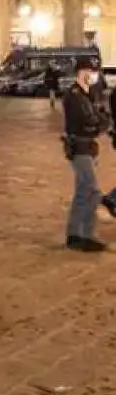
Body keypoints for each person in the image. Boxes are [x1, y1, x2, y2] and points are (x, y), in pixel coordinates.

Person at [62, 58, 110, 252]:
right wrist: (100, 123)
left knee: (83, 191)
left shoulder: (87, 94)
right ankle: (84, 235)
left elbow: (101, 118)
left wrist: (100, 122)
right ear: (82, 72)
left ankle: (76, 234)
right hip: (80, 147)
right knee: (91, 190)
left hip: (87, 147)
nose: (94, 75)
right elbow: (89, 122)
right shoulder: (74, 95)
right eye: (92, 71)